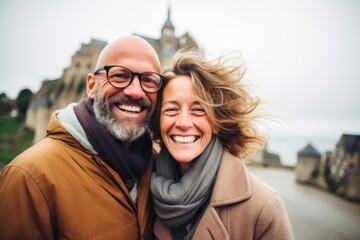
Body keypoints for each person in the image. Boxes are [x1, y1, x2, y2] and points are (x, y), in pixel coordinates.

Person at [0, 35, 165, 239]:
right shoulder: (29, 176)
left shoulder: (157, 165)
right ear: (91, 86)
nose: (136, 91)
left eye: (148, 80)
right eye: (120, 76)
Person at [150, 51, 294, 240]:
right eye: (171, 109)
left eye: (199, 109)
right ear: (159, 122)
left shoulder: (264, 207)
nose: (183, 123)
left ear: (216, 122)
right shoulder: (145, 193)